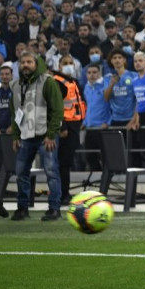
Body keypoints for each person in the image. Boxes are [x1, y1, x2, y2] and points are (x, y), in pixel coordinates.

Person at [9, 52, 64, 221]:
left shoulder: (48, 82)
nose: (25, 65)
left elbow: (57, 110)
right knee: (21, 174)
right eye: (23, 62)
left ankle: (54, 209)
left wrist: (51, 134)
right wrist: (16, 136)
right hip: (25, 136)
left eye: (29, 62)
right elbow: (14, 112)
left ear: (36, 64)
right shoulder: (15, 85)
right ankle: (22, 208)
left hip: (45, 135)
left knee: (51, 173)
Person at [53, 54, 87, 205]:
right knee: (63, 162)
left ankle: (64, 193)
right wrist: (62, 126)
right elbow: (55, 106)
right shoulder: (57, 82)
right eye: (65, 63)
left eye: (71, 63)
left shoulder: (74, 81)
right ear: (59, 66)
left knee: (66, 162)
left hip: (75, 126)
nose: (68, 65)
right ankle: (62, 194)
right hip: (65, 127)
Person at [82, 63, 110, 172]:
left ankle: (106, 178)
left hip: (102, 127)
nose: (91, 75)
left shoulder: (105, 85)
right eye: (89, 73)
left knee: (105, 156)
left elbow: (111, 106)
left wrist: (108, 122)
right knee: (90, 156)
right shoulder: (86, 87)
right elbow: (89, 107)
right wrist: (84, 122)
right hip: (89, 128)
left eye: (94, 72)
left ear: (99, 73)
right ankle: (97, 177)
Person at [0, 62, 13, 217]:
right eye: (2, 74)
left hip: (10, 135)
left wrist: (14, 127)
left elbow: (21, 111)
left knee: (7, 166)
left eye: (7, 74)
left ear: (12, 75)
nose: (4, 76)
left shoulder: (16, 92)